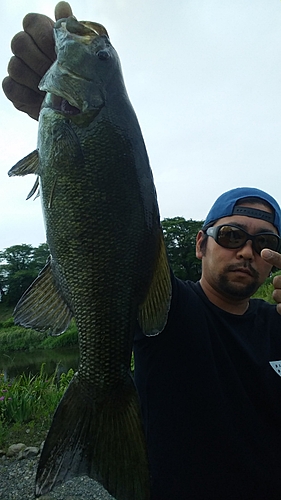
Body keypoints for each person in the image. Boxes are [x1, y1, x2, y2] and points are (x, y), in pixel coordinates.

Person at [3, 3, 281, 499]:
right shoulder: (172, 313)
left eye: (265, 242)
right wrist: (52, 114)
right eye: (232, 235)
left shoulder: (277, 326)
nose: (247, 251)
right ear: (200, 243)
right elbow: (113, 238)